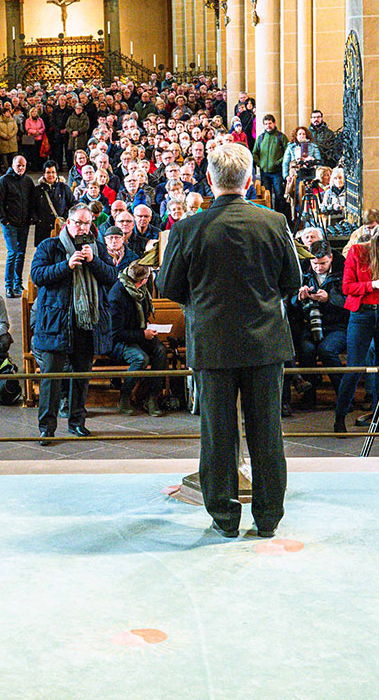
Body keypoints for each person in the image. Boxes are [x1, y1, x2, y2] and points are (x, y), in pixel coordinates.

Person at [158, 142, 301, 539]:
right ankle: (268, 518)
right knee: (267, 431)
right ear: (249, 180)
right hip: (264, 343)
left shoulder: (187, 228)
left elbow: (167, 284)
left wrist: (201, 302)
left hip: (213, 344)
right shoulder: (273, 222)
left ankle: (224, 519)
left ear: (209, 180)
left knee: (217, 435)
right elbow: (293, 281)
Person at [29, 203, 117, 443]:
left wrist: (93, 261)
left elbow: (112, 277)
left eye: (87, 223)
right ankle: (46, 428)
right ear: (68, 223)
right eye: (78, 222)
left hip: (86, 325)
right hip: (56, 324)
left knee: (81, 378)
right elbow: (37, 276)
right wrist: (66, 266)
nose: (82, 227)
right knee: (51, 379)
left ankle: (77, 422)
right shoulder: (51, 246)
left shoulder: (96, 247)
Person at [335, 221, 379, 433]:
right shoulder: (357, 251)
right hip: (362, 313)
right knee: (354, 368)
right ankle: (340, 417)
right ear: (375, 243)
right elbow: (347, 287)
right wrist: (372, 285)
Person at [288, 241, 348, 410]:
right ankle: (309, 398)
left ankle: (344, 398)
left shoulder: (342, 272)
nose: (318, 268)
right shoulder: (303, 272)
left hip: (336, 325)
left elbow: (349, 304)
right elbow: (291, 301)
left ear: (330, 258)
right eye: (314, 263)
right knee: (306, 350)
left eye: (323, 263)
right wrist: (299, 298)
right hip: (310, 323)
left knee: (327, 350)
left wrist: (329, 298)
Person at [108, 262, 167, 417]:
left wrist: (146, 324)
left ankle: (152, 397)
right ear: (143, 280)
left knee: (161, 350)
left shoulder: (139, 290)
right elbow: (116, 333)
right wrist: (143, 334)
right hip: (119, 342)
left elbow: (141, 313)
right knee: (141, 358)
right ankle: (125, 396)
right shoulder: (117, 296)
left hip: (137, 333)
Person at [0, 155, 34, 298]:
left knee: (21, 253)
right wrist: (4, 220)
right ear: (13, 165)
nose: (21, 168)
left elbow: (31, 200)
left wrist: (30, 218)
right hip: (10, 224)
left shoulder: (28, 181)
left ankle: (18, 283)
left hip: (24, 223)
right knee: (13, 253)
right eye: (18, 166)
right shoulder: (4, 181)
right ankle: (8, 285)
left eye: (23, 166)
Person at [251, 114, 288, 211]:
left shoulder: (281, 137)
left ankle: (280, 215)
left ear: (274, 123)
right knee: (266, 195)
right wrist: (260, 164)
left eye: (270, 123)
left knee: (279, 195)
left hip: (277, 172)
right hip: (264, 172)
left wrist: (279, 162)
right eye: (266, 124)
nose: (268, 125)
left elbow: (287, 153)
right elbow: (255, 153)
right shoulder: (260, 138)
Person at [31, 163, 70, 246]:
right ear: (44, 174)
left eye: (53, 172)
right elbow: (32, 207)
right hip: (43, 229)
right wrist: (37, 220)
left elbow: (73, 205)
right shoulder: (37, 190)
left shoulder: (64, 188)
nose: (51, 175)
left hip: (61, 227)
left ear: (57, 173)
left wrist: (65, 218)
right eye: (48, 172)